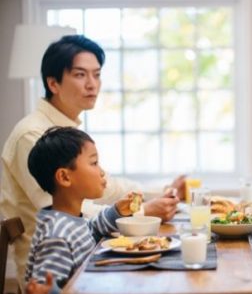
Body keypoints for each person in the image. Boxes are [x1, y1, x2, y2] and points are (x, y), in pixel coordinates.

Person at [0, 35, 185, 288]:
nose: (92, 84)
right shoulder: (33, 135)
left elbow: (107, 187)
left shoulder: (65, 131)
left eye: (96, 75)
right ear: (53, 83)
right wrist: (141, 212)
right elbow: (64, 206)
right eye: (80, 75)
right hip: (56, 273)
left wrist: (159, 191)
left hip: (84, 262)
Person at [24, 126, 138, 291]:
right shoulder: (57, 236)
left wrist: (116, 212)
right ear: (64, 177)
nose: (102, 172)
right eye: (94, 163)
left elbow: (91, 229)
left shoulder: (70, 220)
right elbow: (43, 287)